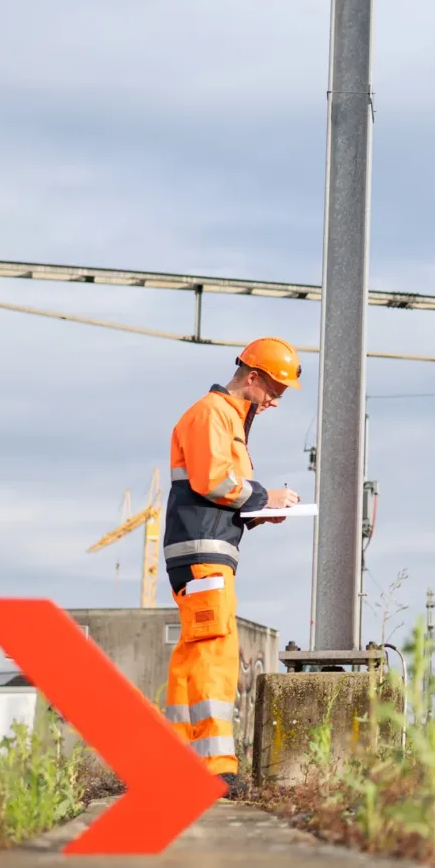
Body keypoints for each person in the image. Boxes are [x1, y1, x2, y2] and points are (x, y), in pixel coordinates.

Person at [162, 338, 302, 798]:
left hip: (205, 548)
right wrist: (265, 498)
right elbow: (215, 480)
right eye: (275, 390)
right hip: (203, 553)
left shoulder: (226, 418)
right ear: (253, 377)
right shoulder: (213, 414)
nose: (276, 401)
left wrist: (260, 511)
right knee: (214, 652)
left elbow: (218, 492)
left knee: (194, 652)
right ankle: (214, 768)